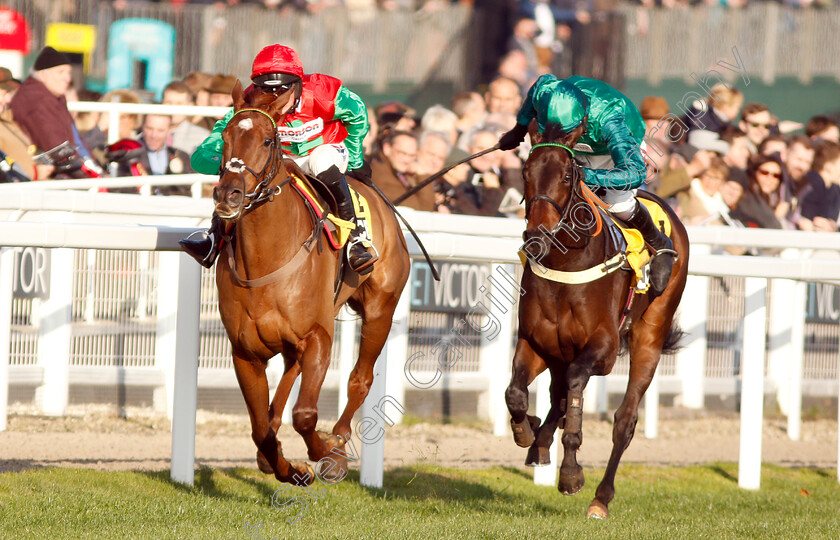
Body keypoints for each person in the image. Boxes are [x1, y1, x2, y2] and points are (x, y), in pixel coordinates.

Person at [180, 44, 373, 272]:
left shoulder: (326, 92)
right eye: (265, 89)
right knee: (243, 175)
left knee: (321, 162)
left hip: (325, 147)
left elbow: (358, 113)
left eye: (281, 90)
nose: (273, 97)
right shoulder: (250, 100)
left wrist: (355, 159)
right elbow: (223, 132)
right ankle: (214, 239)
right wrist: (216, 157)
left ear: (297, 84)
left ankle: (356, 240)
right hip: (283, 155)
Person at [498, 73, 676, 294]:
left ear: (582, 121)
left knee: (617, 203)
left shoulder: (611, 121)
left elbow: (635, 174)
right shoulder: (546, 91)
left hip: (612, 147)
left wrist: (586, 175)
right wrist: (518, 130)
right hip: (575, 144)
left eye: (567, 131)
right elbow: (535, 88)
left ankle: (659, 244)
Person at [9, 47, 93, 163]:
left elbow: (75, 141)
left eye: (69, 73)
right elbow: (57, 149)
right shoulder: (36, 100)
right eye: (61, 72)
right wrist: (88, 173)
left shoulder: (54, 97)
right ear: (43, 74)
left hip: (75, 168)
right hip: (58, 173)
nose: (67, 78)